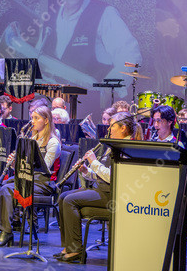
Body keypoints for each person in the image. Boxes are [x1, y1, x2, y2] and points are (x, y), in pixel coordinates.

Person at [56, 111, 141, 262]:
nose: (109, 128)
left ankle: (76, 250)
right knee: (63, 197)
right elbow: (102, 174)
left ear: (123, 128)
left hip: (114, 195)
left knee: (69, 201)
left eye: (112, 125)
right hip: (102, 190)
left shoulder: (127, 147)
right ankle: (68, 246)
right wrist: (86, 171)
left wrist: (94, 162)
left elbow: (114, 177)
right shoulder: (114, 145)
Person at [0, 105, 61, 247]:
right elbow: (23, 167)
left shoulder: (53, 142)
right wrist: (14, 163)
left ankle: (6, 231)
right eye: (32, 118)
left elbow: (44, 167)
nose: (32, 121)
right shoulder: (33, 138)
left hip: (41, 182)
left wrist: (21, 162)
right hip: (26, 178)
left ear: (46, 121)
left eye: (36, 118)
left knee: (7, 189)